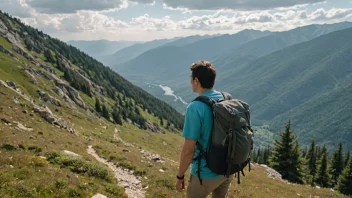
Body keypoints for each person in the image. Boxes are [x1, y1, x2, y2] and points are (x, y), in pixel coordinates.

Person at [175, 60, 233, 198]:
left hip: (205, 174)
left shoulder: (195, 108)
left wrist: (180, 176)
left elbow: (188, 150)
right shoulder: (226, 98)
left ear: (196, 80)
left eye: (191, 78)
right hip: (227, 169)